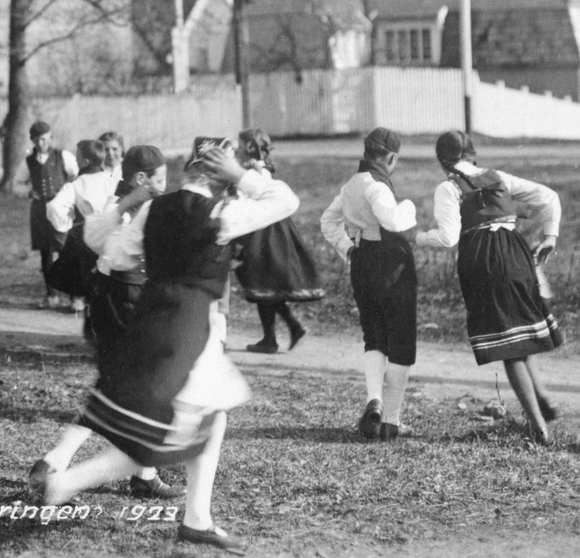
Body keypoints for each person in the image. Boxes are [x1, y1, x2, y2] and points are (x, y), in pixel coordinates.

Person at [35, 138, 299, 555]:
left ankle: (197, 519)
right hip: (190, 326)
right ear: (219, 178)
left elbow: (112, 251)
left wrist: (129, 205)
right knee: (168, 435)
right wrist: (241, 176)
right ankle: (64, 482)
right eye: (227, 175)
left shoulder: (153, 210)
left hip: (155, 316)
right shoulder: (222, 213)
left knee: (211, 416)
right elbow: (284, 200)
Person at [31, 144, 183, 501]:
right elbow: (106, 247)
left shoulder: (126, 203)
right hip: (124, 300)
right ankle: (58, 461)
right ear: (141, 178)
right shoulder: (128, 207)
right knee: (130, 388)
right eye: (160, 179)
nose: (164, 186)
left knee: (127, 387)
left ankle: (140, 473)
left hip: (118, 297)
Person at [415, 131, 563, 445]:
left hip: (484, 261)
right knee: (519, 332)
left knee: (509, 345)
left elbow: (447, 238)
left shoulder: (448, 187)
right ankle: (543, 398)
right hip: (516, 254)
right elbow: (549, 197)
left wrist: (417, 238)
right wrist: (550, 236)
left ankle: (538, 428)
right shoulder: (499, 178)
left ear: (443, 161)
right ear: (472, 155)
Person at [320, 128, 418, 440]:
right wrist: (410, 207)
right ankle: (391, 419)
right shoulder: (378, 186)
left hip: (362, 262)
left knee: (373, 336)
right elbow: (393, 221)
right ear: (390, 157)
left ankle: (373, 400)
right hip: (390, 263)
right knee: (401, 338)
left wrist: (347, 247)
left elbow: (327, 221)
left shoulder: (351, 184)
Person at [233, 129, 324, 354]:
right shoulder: (256, 164)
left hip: (264, 230)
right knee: (264, 285)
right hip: (268, 227)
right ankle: (282, 332)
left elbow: (255, 194)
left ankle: (277, 334)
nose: (237, 148)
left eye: (240, 144)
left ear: (249, 147)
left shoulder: (254, 167)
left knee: (262, 283)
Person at [46, 139, 116, 315]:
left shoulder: (76, 184)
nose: (75, 161)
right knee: (112, 278)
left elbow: (54, 207)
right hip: (112, 235)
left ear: (85, 162)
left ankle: (94, 318)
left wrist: (67, 223)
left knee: (90, 279)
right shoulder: (113, 178)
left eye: (78, 158)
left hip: (88, 237)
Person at [24, 121, 78, 309]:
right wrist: (29, 192)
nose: (41, 144)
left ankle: (75, 297)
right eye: (37, 140)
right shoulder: (29, 161)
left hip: (61, 209)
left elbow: (76, 176)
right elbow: (17, 183)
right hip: (39, 211)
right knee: (45, 253)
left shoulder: (63, 156)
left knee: (66, 250)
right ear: (32, 141)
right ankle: (51, 295)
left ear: (51, 138)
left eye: (44, 139)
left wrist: (67, 193)